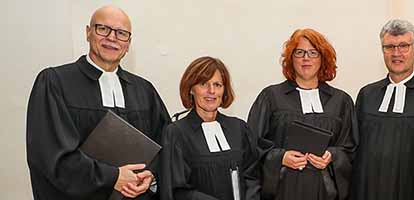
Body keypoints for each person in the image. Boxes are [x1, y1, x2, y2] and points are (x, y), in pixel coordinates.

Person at [25, 5, 170, 200]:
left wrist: (152, 175)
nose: (112, 38)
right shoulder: (55, 82)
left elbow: (166, 145)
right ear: (88, 32)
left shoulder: (144, 90)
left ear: (128, 43)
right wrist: (113, 177)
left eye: (121, 33)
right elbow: (51, 155)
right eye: (103, 29)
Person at [247, 28, 357, 200]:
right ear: (291, 59)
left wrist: (331, 156)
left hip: (325, 192)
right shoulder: (271, 97)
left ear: (323, 58)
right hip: (283, 191)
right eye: (299, 52)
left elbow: (351, 149)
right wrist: (280, 157)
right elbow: (252, 145)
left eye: (313, 52)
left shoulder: (341, 101)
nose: (306, 58)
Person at [350, 19, 414, 200]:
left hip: (413, 191)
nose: (396, 53)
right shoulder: (367, 95)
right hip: (367, 190)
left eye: (403, 46)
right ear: (382, 50)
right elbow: (352, 148)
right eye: (389, 47)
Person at [159, 56, 268, 200]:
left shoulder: (239, 128)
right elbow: (176, 190)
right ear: (191, 89)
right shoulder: (176, 133)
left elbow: (252, 177)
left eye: (217, 85)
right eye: (204, 84)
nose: (211, 91)